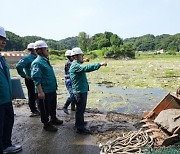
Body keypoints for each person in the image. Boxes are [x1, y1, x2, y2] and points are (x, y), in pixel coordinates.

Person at [69, 47, 107, 134]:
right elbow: (86, 68)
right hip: (80, 91)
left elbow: (81, 63)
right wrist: (99, 64)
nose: (83, 56)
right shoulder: (75, 66)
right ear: (76, 57)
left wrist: (84, 60)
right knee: (80, 109)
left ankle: (80, 123)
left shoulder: (76, 64)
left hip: (80, 90)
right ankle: (80, 127)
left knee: (80, 109)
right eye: (81, 55)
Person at [31, 40, 63, 132]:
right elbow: (36, 78)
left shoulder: (45, 60)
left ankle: (53, 118)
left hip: (51, 89)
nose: (48, 51)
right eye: (46, 49)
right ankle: (46, 124)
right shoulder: (37, 62)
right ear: (39, 50)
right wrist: (40, 92)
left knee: (52, 106)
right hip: (44, 91)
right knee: (45, 109)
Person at [0, 26, 22, 153]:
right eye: (0, 39)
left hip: (6, 98)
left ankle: (6, 145)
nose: (3, 42)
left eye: (4, 39)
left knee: (8, 122)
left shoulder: (2, 58)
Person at [16, 43, 40, 117]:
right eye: (35, 49)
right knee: (32, 94)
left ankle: (39, 108)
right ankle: (33, 110)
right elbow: (18, 66)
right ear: (31, 50)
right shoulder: (27, 58)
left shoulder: (37, 57)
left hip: (37, 79)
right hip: (30, 80)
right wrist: (24, 75)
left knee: (38, 94)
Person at [62, 50, 76, 114]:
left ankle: (73, 107)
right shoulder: (69, 63)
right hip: (69, 81)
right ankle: (65, 106)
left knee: (74, 94)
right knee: (72, 94)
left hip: (71, 80)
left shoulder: (71, 62)